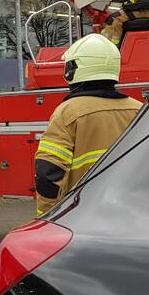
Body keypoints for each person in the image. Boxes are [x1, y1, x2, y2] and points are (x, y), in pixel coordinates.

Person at [34, 34, 142, 215]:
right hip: (131, 211)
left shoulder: (68, 112)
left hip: (83, 215)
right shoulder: (139, 109)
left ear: (73, 69)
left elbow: (49, 173)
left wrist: (46, 216)